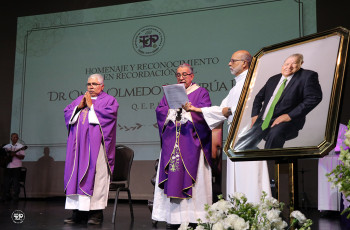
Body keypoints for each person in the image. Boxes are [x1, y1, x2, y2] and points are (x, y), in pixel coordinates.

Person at [183, 50, 271, 203]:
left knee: (250, 175)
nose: (229, 64)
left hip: (248, 136)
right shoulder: (236, 87)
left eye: (233, 61)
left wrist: (229, 110)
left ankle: (255, 210)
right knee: (237, 174)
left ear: (244, 63)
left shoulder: (252, 82)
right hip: (235, 136)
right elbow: (221, 109)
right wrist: (195, 109)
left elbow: (249, 108)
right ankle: (238, 211)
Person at [152, 64, 212, 228]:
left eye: (185, 74)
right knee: (172, 178)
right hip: (172, 141)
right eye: (178, 74)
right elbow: (160, 110)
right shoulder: (170, 93)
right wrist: (171, 112)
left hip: (191, 143)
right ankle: (173, 218)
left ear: (192, 76)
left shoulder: (201, 92)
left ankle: (193, 219)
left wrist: (189, 113)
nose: (181, 77)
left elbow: (206, 114)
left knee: (193, 182)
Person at [234, 53, 322, 150]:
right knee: (240, 147)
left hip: (287, 122)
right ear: (283, 65)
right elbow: (258, 97)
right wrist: (255, 115)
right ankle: (260, 160)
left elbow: (314, 98)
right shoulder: (273, 79)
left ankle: (270, 162)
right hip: (264, 120)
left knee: (274, 135)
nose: (289, 67)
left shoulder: (307, 76)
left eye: (294, 63)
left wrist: (289, 116)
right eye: (287, 64)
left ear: (301, 63)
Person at [63, 74, 119, 225]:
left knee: (96, 177)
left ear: (102, 86)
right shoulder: (79, 99)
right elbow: (67, 113)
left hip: (97, 148)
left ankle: (95, 213)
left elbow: (109, 117)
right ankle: (78, 213)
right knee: (75, 176)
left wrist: (92, 106)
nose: (90, 87)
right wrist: (79, 107)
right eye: (89, 84)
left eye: (94, 84)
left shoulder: (109, 100)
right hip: (78, 148)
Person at [2, 133, 26, 202]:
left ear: (17, 138)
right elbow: (2, 155)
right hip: (8, 166)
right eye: (13, 137)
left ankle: (15, 198)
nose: (15, 138)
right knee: (6, 182)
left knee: (16, 183)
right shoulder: (6, 146)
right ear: (11, 138)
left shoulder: (20, 146)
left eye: (16, 137)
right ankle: (6, 196)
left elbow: (22, 157)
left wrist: (15, 154)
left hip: (16, 167)